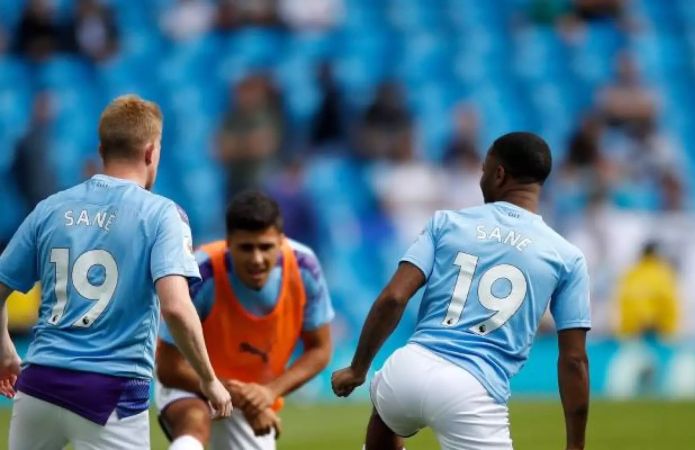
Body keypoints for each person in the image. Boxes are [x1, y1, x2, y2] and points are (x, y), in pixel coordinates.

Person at [331, 132, 592, 450]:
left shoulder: (446, 223)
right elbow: (574, 359)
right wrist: (575, 446)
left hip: (409, 366)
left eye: (484, 170)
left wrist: (358, 369)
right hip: (473, 390)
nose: (481, 178)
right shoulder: (566, 256)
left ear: (499, 174)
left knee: (387, 415)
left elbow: (393, 297)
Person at [0, 94, 231, 450]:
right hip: (108, 393)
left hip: (38, 386)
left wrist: (5, 351)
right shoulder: (161, 215)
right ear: (152, 151)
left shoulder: (50, 208)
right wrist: (209, 379)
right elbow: (175, 307)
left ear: (102, 148)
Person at [156, 191, 334, 450]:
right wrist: (241, 396)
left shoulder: (304, 268)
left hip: (253, 394)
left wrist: (268, 393)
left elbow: (320, 349)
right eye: (246, 248)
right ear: (228, 243)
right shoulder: (201, 274)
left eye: (266, 247)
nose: (257, 259)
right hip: (193, 380)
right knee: (194, 421)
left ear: (281, 241)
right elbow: (169, 368)